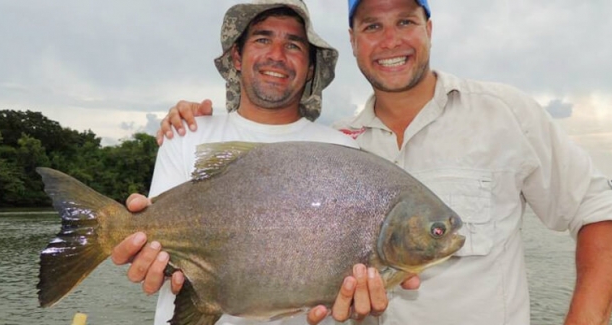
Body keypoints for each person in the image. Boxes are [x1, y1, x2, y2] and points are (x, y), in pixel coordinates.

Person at [153, 0, 612, 324]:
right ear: (352, 39)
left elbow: (603, 213)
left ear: (429, 28)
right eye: (372, 26)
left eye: (405, 21)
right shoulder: (341, 145)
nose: (390, 41)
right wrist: (196, 119)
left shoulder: (504, 113)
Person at [110, 1, 419, 324]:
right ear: (237, 56)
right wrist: (143, 253)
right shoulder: (185, 134)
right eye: (262, 39)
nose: (277, 54)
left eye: (294, 45)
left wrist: (362, 308)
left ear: (311, 68)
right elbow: (162, 256)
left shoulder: (342, 149)